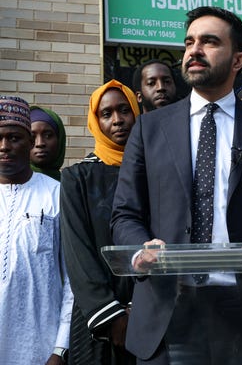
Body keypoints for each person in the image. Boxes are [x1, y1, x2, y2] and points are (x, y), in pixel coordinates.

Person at [111, 6, 242, 364]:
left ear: (238, 59)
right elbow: (125, 212)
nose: (194, 50)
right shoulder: (149, 127)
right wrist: (142, 247)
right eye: (189, 42)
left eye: (209, 42)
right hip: (169, 305)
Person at [60, 80, 140, 364]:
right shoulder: (77, 178)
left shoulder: (156, 172)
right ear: (96, 121)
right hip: (98, 322)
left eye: (124, 110)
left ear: (136, 112)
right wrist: (111, 315)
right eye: (106, 114)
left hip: (150, 317)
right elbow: (77, 252)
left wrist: (142, 310)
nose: (117, 120)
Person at [0, 96, 73, 364]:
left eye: (14, 138)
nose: (4, 147)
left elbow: (72, 281)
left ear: (30, 143)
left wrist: (60, 348)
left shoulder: (57, 194)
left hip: (40, 348)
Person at [30, 105, 66, 180]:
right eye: (32, 137)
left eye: (48, 136)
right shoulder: (8, 186)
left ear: (60, 140)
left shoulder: (74, 186)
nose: (40, 143)